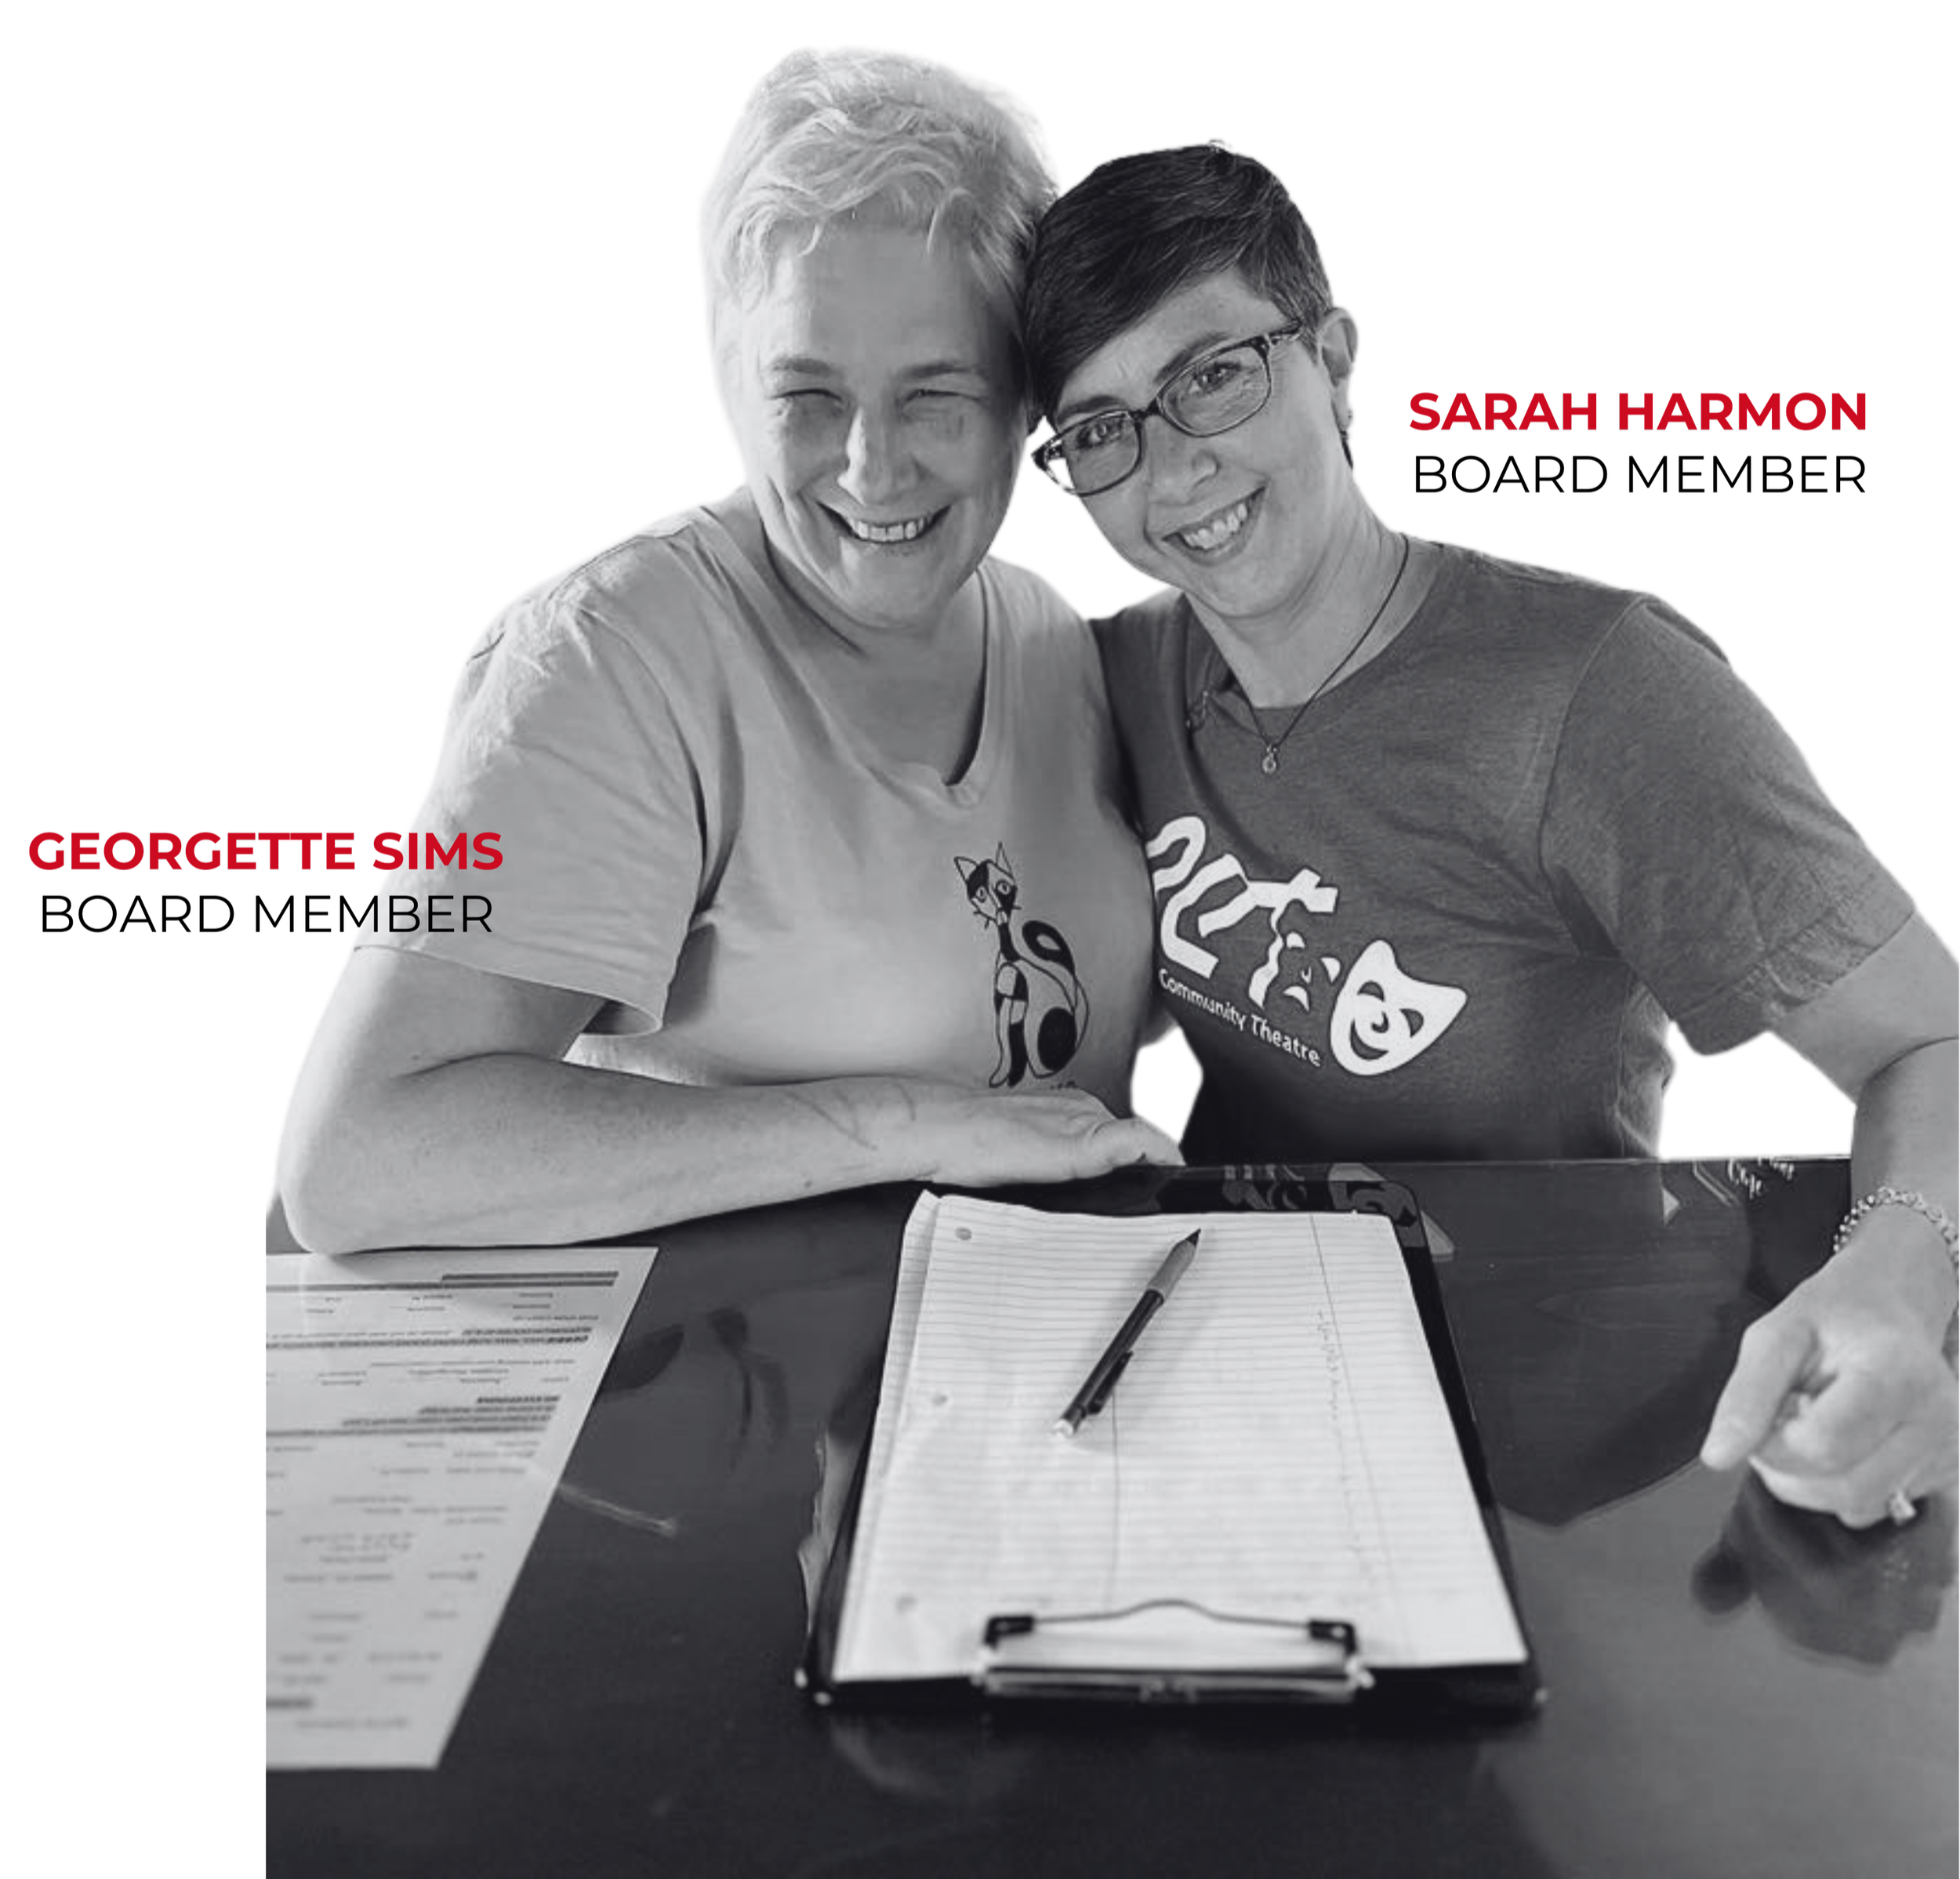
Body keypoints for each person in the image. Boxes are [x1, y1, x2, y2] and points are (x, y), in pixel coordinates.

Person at [1019, 138, 1957, 1528]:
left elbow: (1928, 1037)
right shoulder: (1126, 672)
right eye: (1100, 429)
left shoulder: (1600, 694)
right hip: (1222, 1361)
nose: (1173, 469)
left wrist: (1896, 1283)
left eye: (1212, 374)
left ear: (1336, 361)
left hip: (1538, 1416)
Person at [274, 46, 1178, 1256]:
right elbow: (355, 1158)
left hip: (1063, 1351)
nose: (871, 469)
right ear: (724, 386)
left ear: (1029, 396)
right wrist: (900, 1124)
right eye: (807, 393)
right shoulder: (600, 660)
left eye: (935, 395)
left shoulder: (1053, 634)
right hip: (760, 1409)